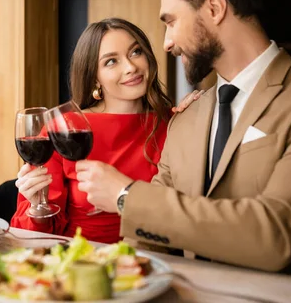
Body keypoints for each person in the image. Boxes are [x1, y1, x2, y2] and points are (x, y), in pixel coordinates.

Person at [74, 0, 291, 283]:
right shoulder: (187, 116)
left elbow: (275, 234)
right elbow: (147, 238)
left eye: (171, 22)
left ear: (214, 8)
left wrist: (125, 196)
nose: (166, 43)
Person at [10, 18, 201, 244]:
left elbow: (188, 209)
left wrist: (198, 112)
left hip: (154, 257)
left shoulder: (173, 122)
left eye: (136, 52)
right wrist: (35, 206)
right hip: (80, 260)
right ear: (94, 78)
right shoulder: (64, 129)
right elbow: (31, 235)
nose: (131, 67)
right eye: (111, 62)